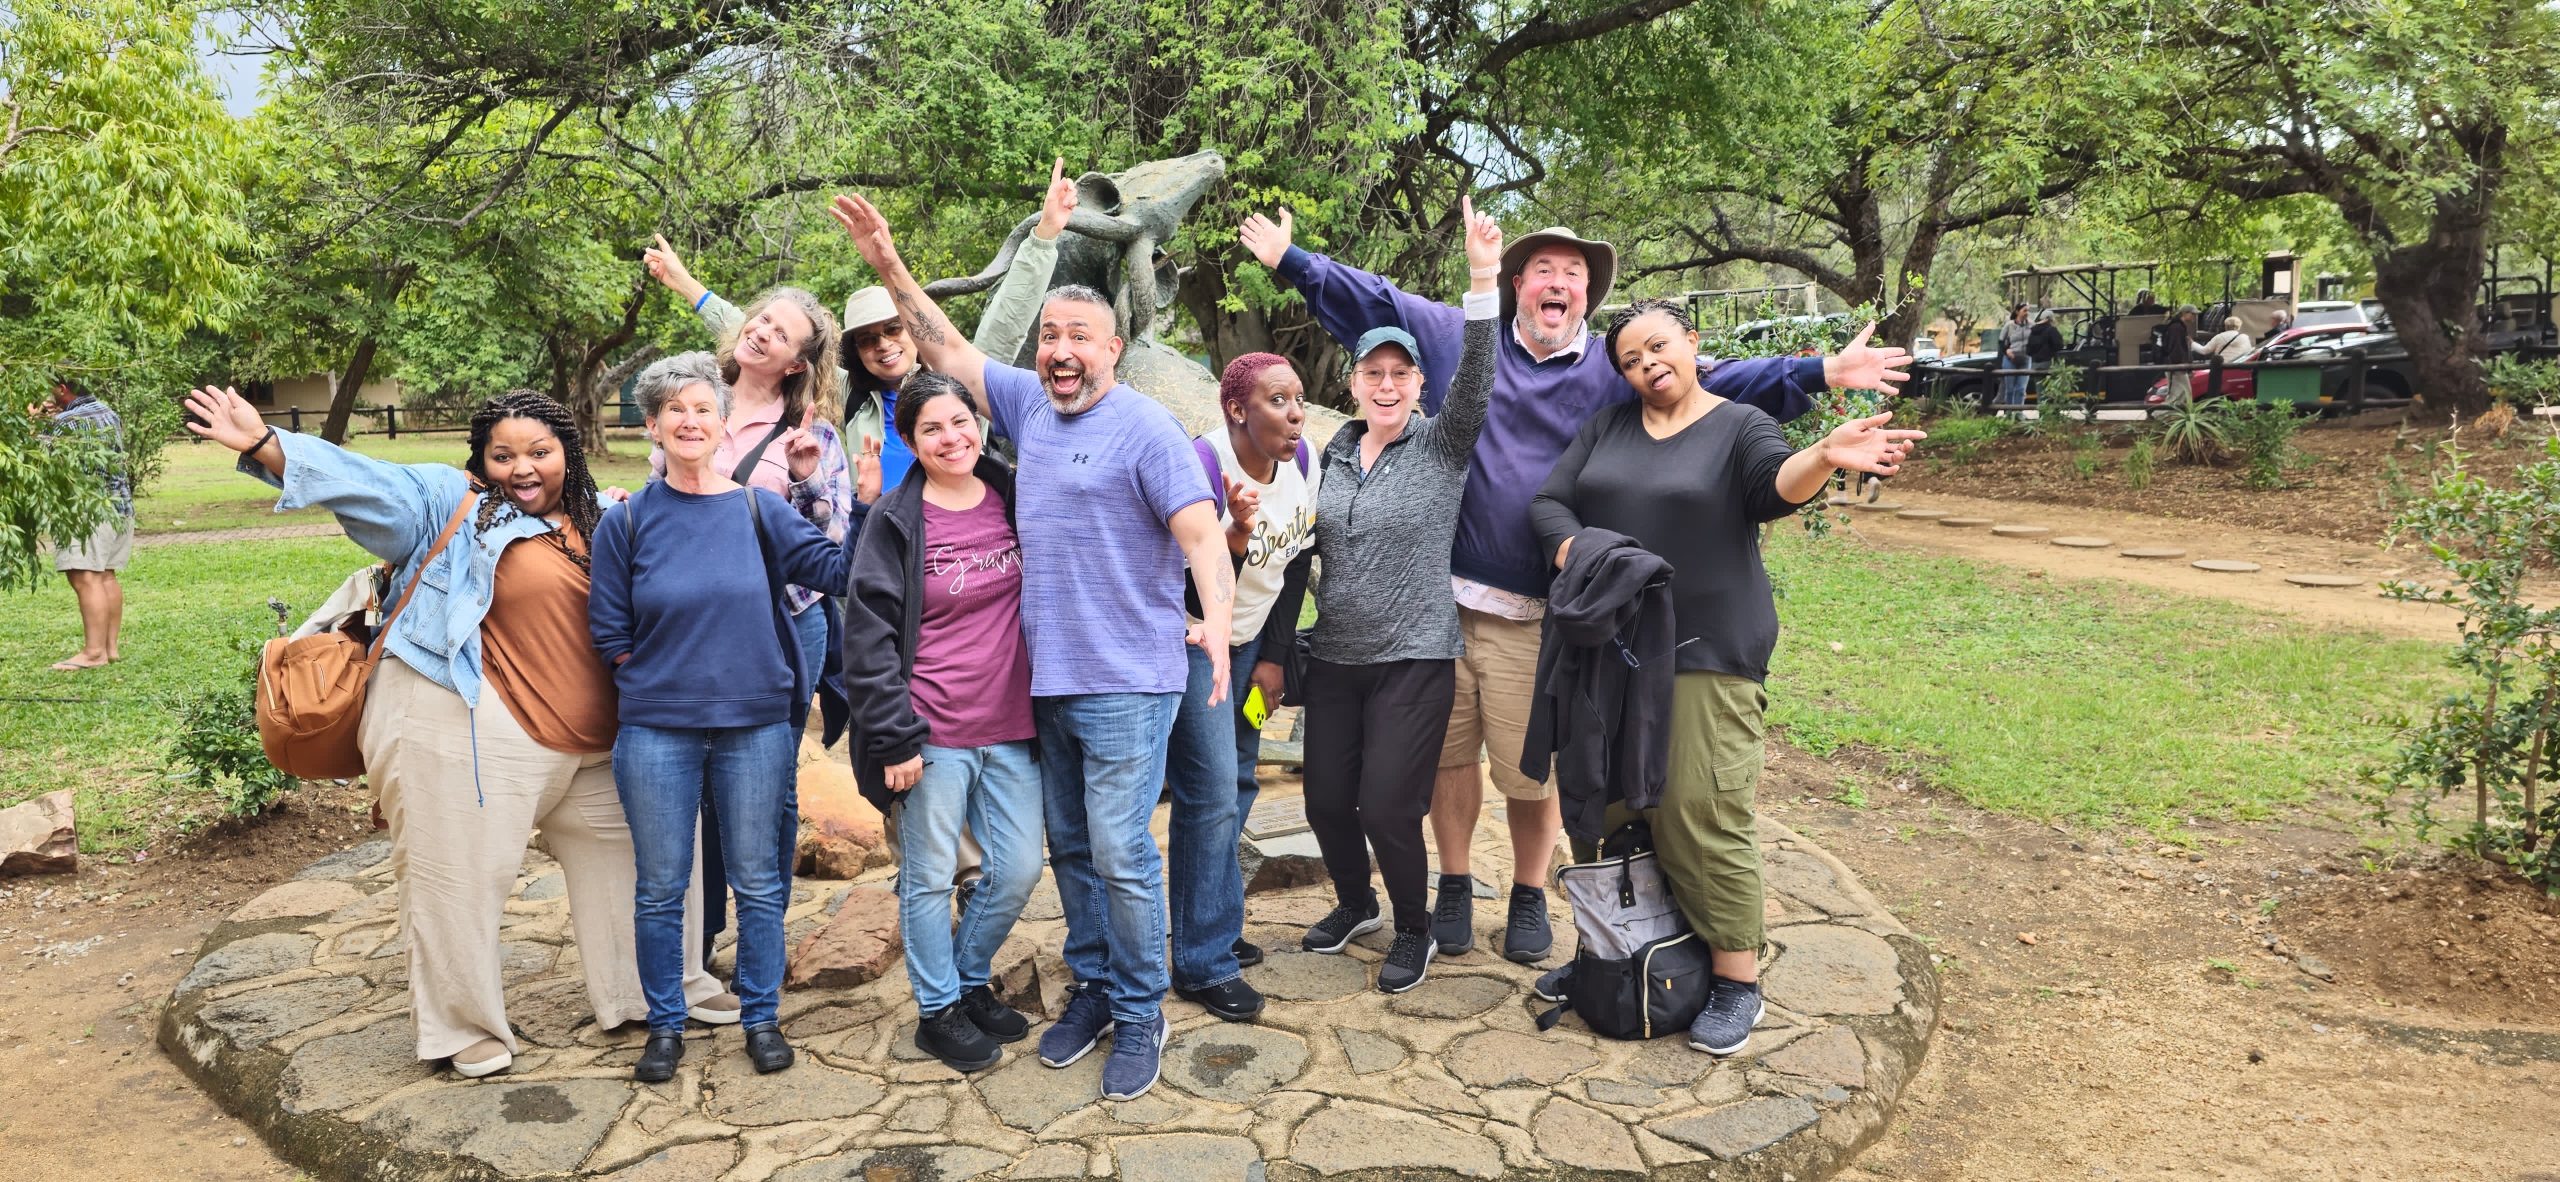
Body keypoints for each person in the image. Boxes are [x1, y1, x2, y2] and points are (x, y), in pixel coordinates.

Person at [1238, 208, 1908, 965]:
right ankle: (1454, 882)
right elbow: (1376, 302)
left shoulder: (1611, 369)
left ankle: (1528, 889)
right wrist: (1292, 258)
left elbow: (1714, 380)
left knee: (1533, 768)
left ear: (1588, 295)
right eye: (1543, 271)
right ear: (1517, 284)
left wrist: (1822, 373)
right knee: (1448, 758)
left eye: (1574, 274)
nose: (1557, 283)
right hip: (1440, 606)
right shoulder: (1462, 335)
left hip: (1539, 610)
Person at [178, 384, 735, 1079]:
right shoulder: (452, 502)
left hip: (596, 742)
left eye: (539, 452)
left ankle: (659, 990)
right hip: (467, 718)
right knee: (456, 878)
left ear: (569, 452)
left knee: (654, 849)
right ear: (481, 460)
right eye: (503, 455)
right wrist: (268, 444)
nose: (522, 468)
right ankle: (460, 1026)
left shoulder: (601, 517)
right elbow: (372, 486)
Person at [829, 190, 1234, 1103]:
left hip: (1128, 681)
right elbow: (944, 350)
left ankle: (1140, 1009)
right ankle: (1094, 985)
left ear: (1113, 349)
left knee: (1121, 853)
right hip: (1044, 686)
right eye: (1049, 335)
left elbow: (1203, 536)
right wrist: (886, 261)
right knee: (1074, 852)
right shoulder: (1026, 408)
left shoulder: (1146, 427)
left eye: (1079, 336)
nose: (1059, 349)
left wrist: (1214, 621)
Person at [1527, 298, 1922, 1055]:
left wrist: (1825, 456)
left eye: (1658, 346)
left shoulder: (1739, 425)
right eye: (1631, 360)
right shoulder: (1608, 428)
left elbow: (1775, 487)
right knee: (1608, 806)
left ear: (1692, 342)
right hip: (1610, 649)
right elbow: (1550, 501)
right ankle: (1622, 949)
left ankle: (1737, 979)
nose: (1648, 365)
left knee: (1697, 809)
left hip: (1705, 648)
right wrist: (1579, 553)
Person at [589, 352, 851, 1083]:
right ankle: (665, 1025)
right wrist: (653, 681)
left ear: (722, 423)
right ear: (653, 426)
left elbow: (837, 571)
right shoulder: (627, 521)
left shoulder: (758, 509)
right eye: (675, 409)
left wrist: (826, 488)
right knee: (660, 888)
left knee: (759, 883)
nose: (690, 420)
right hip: (657, 730)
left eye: (703, 408)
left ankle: (761, 1018)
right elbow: (608, 629)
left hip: (755, 725)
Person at [1295, 198, 1500, 995]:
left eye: (1400, 374)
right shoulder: (1332, 457)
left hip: (1414, 658)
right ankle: (1356, 904)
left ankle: (1414, 926)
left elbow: (1477, 373)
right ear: (1354, 382)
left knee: (1386, 807)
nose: (1386, 385)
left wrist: (1482, 279)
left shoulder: (1443, 445)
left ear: (1419, 384)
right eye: (1372, 373)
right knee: (1324, 802)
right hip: (1336, 658)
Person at [643, 160, 1081, 503]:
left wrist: (1044, 237)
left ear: (913, 330)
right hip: (878, 553)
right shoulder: (847, 394)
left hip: (953, 545)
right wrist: (686, 284)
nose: (883, 345)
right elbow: (756, 336)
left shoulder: (956, 386)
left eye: (893, 329)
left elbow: (1007, 320)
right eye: (867, 339)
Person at [839, 370, 1044, 1073]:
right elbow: (866, 637)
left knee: (1017, 868)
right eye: (931, 428)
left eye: (960, 421)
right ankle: (937, 1012)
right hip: (932, 729)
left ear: (978, 424)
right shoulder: (895, 520)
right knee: (929, 878)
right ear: (909, 439)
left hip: (1012, 723)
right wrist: (894, 735)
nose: (951, 437)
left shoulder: (1013, 493)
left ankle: (965, 979)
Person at [1161, 352, 1318, 1021]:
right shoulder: (1201, 466)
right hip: (1198, 641)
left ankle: (1214, 923)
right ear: (1236, 409)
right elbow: (1177, 580)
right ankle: (1202, 961)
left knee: (1243, 779)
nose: (1296, 414)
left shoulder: (1302, 460)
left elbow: (1297, 558)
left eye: (1298, 399)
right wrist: (1232, 535)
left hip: (1253, 642)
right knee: (1211, 791)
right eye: (1278, 401)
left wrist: (1274, 658)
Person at [41, 378, 131, 671]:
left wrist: (36, 424)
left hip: (86, 512)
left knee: (84, 577)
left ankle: (93, 654)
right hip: (119, 507)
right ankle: (110, 649)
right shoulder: (108, 412)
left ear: (62, 389)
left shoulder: (65, 422)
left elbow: (40, 460)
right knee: (105, 576)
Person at [2158, 305, 2203, 405]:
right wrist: (2181, 365)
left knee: (2180, 395)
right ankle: (2159, 412)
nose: (2194, 316)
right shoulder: (2177, 328)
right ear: (2184, 313)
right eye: (2193, 314)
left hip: (2176, 365)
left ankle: (2164, 412)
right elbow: (2176, 348)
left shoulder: (2177, 326)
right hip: (2176, 366)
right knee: (2180, 395)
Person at [1996, 304, 2035, 406]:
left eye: (2028, 311)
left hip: (2025, 359)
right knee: (2010, 389)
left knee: (2021, 388)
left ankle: (2018, 412)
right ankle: (2009, 411)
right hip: (2010, 359)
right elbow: (2001, 341)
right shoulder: (2009, 325)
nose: (2027, 313)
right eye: (2024, 310)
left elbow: (2037, 339)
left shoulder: (2031, 325)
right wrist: (2006, 351)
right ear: (2018, 311)